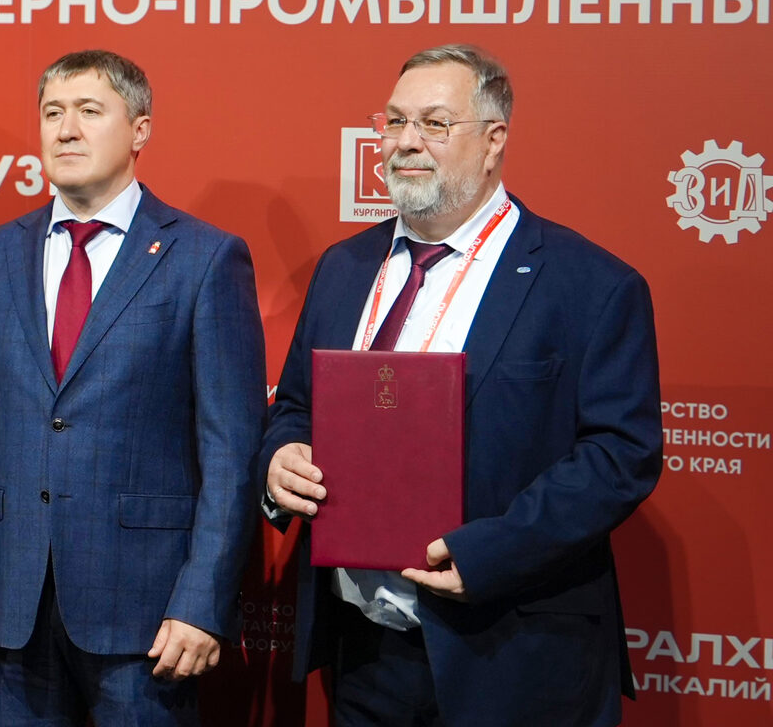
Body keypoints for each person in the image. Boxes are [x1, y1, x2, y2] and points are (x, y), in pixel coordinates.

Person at [260, 44, 662, 727]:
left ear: (494, 139)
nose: (405, 142)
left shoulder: (591, 284)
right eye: (394, 122)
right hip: (365, 652)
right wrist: (280, 457)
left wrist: (491, 554)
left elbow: (620, 455)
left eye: (435, 124)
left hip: (514, 653)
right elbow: (295, 405)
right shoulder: (343, 267)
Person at [0, 50, 266, 725]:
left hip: (148, 616)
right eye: (52, 112)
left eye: (88, 111)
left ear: (140, 129)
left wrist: (202, 599)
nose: (66, 129)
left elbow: (231, 452)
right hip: (9, 605)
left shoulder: (205, 257)